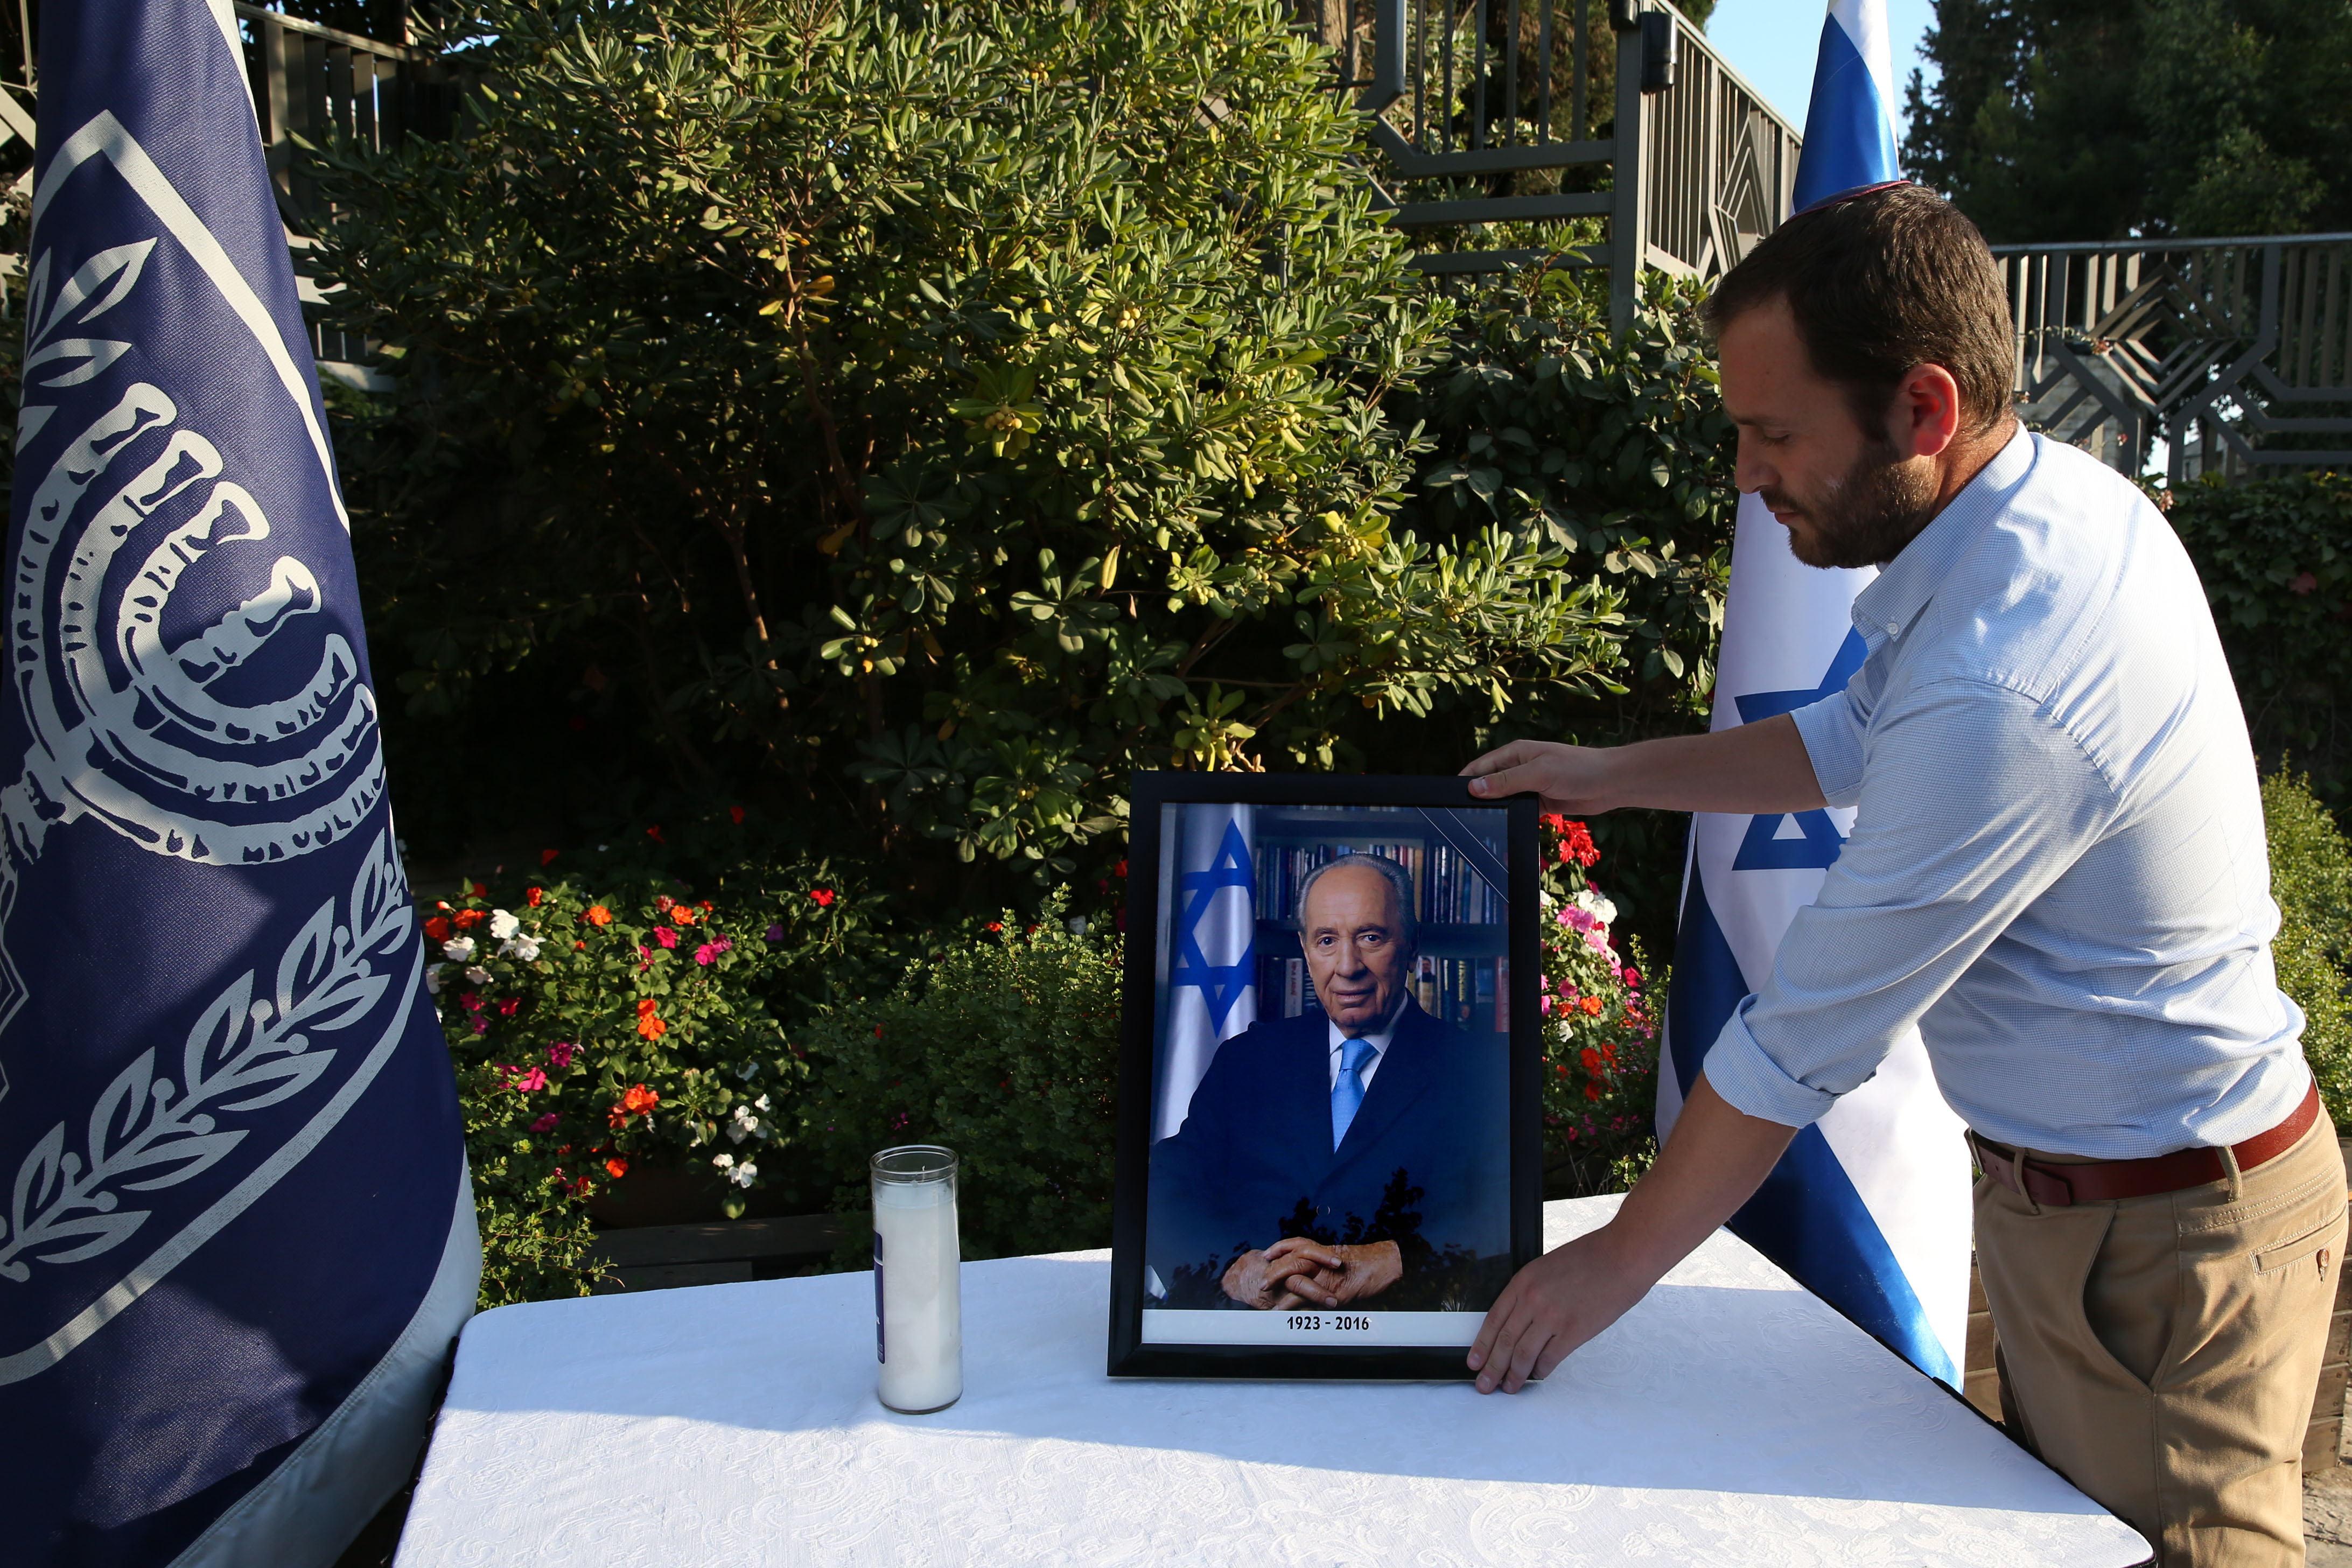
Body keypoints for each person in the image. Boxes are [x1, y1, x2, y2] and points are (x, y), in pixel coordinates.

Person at [1461, 183, 2341, 1568]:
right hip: (2097, 1207)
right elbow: (1850, 735)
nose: (1748, 475)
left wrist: (1611, 1264)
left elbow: (1806, 1032)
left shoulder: (2010, 677)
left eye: (1775, 433)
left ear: (1923, 411)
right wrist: (1613, 771)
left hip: (2175, 1244)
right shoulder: (2023, 517)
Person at [1146, 852, 1509, 1312]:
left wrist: (1400, 1257)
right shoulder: (1248, 1059)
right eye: (1326, 940)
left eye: (1371, 937)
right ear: (1304, 948)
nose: (1347, 966)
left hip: (1401, 1341)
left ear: (1411, 944)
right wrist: (1230, 1267)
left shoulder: (1484, 1070)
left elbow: (1508, 1207)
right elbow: (1164, 1183)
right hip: (1248, 1336)